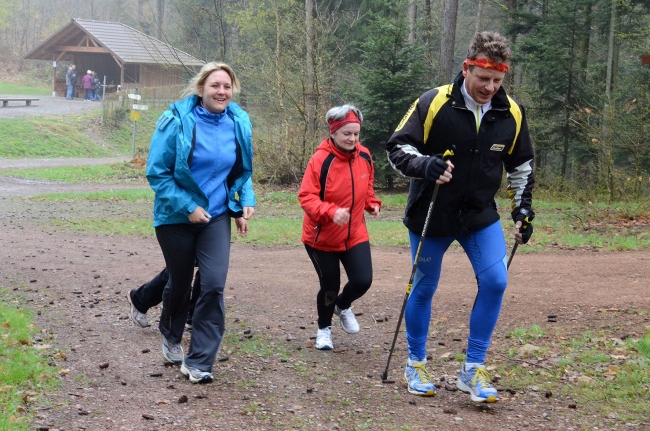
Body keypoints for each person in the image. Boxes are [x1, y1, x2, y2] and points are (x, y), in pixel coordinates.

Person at [386, 31, 535, 403]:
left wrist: (523, 209)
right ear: (468, 68)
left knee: (496, 282)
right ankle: (415, 363)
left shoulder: (511, 113)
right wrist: (425, 164)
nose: (489, 87)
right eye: (483, 79)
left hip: (480, 215)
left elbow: (522, 167)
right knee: (424, 286)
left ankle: (472, 370)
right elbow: (396, 147)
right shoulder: (434, 101)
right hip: (432, 212)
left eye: (497, 81)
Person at [146, 62, 255, 384]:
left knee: (213, 284)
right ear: (201, 89)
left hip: (216, 215)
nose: (221, 92)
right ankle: (170, 333)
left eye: (227, 86)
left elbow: (241, 170)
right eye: (215, 86)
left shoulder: (239, 120)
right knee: (179, 281)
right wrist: (188, 205)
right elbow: (157, 173)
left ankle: (199, 361)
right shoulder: (176, 121)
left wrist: (244, 201)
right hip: (175, 216)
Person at [298, 105, 382, 351]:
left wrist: (372, 203)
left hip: (355, 232)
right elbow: (307, 197)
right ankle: (324, 330)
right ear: (333, 133)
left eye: (356, 134)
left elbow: (367, 186)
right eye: (347, 133)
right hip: (321, 238)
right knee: (330, 286)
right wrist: (331, 212)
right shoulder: (320, 160)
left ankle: (342, 306)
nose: (353, 139)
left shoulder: (364, 155)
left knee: (363, 280)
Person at [126, 204, 255, 328]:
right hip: (183, 216)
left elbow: (230, 182)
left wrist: (238, 212)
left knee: (206, 268)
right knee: (182, 267)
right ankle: (142, 300)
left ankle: (195, 315)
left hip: (214, 216)